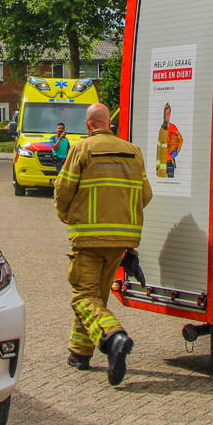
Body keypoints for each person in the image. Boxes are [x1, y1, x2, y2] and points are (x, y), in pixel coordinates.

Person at [53, 103, 151, 385]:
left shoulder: (81, 149)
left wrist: (64, 214)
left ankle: (113, 338)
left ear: (88, 125)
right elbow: (145, 194)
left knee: (83, 296)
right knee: (96, 296)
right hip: (121, 241)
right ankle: (80, 352)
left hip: (89, 239)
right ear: (109, 123)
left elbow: (64, 190)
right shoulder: (133, 152)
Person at [158, 104, 183, 179]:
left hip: (170, 161)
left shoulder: (172, 127)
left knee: (170, 180)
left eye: (168, 113)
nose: (166, 115)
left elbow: (181, 139)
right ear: (163, 114)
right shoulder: (161, 128)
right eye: (165, 113)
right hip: (161, 161)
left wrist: (176, 151)